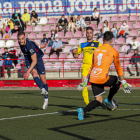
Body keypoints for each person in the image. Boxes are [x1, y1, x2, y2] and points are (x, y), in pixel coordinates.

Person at [77, 31, 132, 120]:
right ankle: (109, 100)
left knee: (98, 100)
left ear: (102, 39)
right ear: (112, 40)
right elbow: (118, 68)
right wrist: (123, 82)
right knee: (118, 80)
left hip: (93, 77)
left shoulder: (96, 50)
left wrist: (85, 81)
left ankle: (83, 111)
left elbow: (92, 66)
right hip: (102, 77)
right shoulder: (114, 51)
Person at [17, 31, 49, 110]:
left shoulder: (29, 45)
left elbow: (34, 61)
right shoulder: (21, 42)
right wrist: (39, 46)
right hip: (28, 58)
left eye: (22, 39)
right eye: (19, 39)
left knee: (43, 80)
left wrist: (27, 71)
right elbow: (32, 41)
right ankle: (42, 90)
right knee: (34, 73)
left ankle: (46, 99)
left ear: (24, 38)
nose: (20, 41)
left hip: (37, 58)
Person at [72, 27, 102, 105]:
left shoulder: (98, 44)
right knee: (83, 83)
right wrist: (73, 52)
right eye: (87, 33)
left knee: (96, 85)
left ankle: (98, 101)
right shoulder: (82, 44)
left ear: (93, 34)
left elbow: (102, 53)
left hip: (95, 67)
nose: (89, 34)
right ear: (86, 34)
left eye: (90, 32)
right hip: (85, 66)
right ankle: (87, 103)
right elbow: (76, 56)